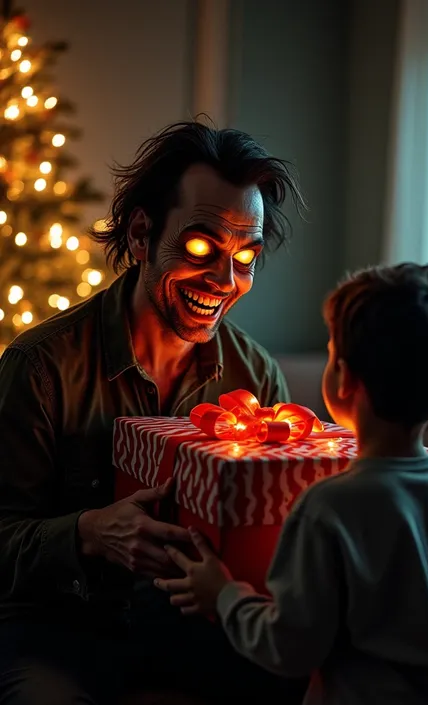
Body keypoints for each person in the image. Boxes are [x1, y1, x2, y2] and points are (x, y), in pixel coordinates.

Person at [0, 120, 309, 704]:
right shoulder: (40, 366)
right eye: (200, 246)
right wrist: (88, 532)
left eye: (246, 256)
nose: (225, 279)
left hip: (195, 626)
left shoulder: (255, 376)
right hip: (55, 626)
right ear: (141, 233)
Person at [158, 262, 428, 705]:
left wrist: (224, 595)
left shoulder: (329, 506)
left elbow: (289, 648)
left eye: (330, 352)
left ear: (343, 378)